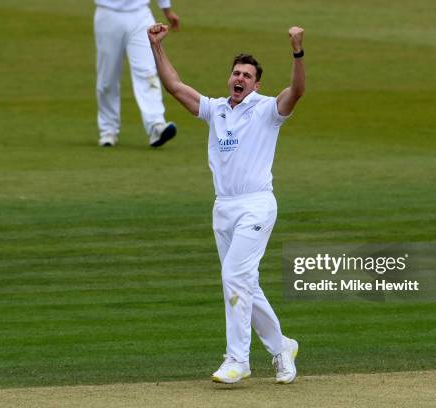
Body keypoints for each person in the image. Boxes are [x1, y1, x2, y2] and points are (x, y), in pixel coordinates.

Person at [148, 22, 306, 384]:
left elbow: (297, 91)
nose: (240, 78)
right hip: (223, 208)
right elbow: (174, 87)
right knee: (244, 283)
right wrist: (156, 46)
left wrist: (297, 52)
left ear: (256, 84)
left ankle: (238, 359)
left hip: (256, 205)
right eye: (236, 73)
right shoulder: (216, 109)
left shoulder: (267, 110)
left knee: (234, 276)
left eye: (247, 75)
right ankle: (282, 346)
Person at [94, 0, 180, 147]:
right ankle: (108, 130)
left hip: (141, 15)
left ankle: (156, 125)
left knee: (147, 71)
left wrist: (166, 9)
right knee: (107, 78)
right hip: (107, 13)